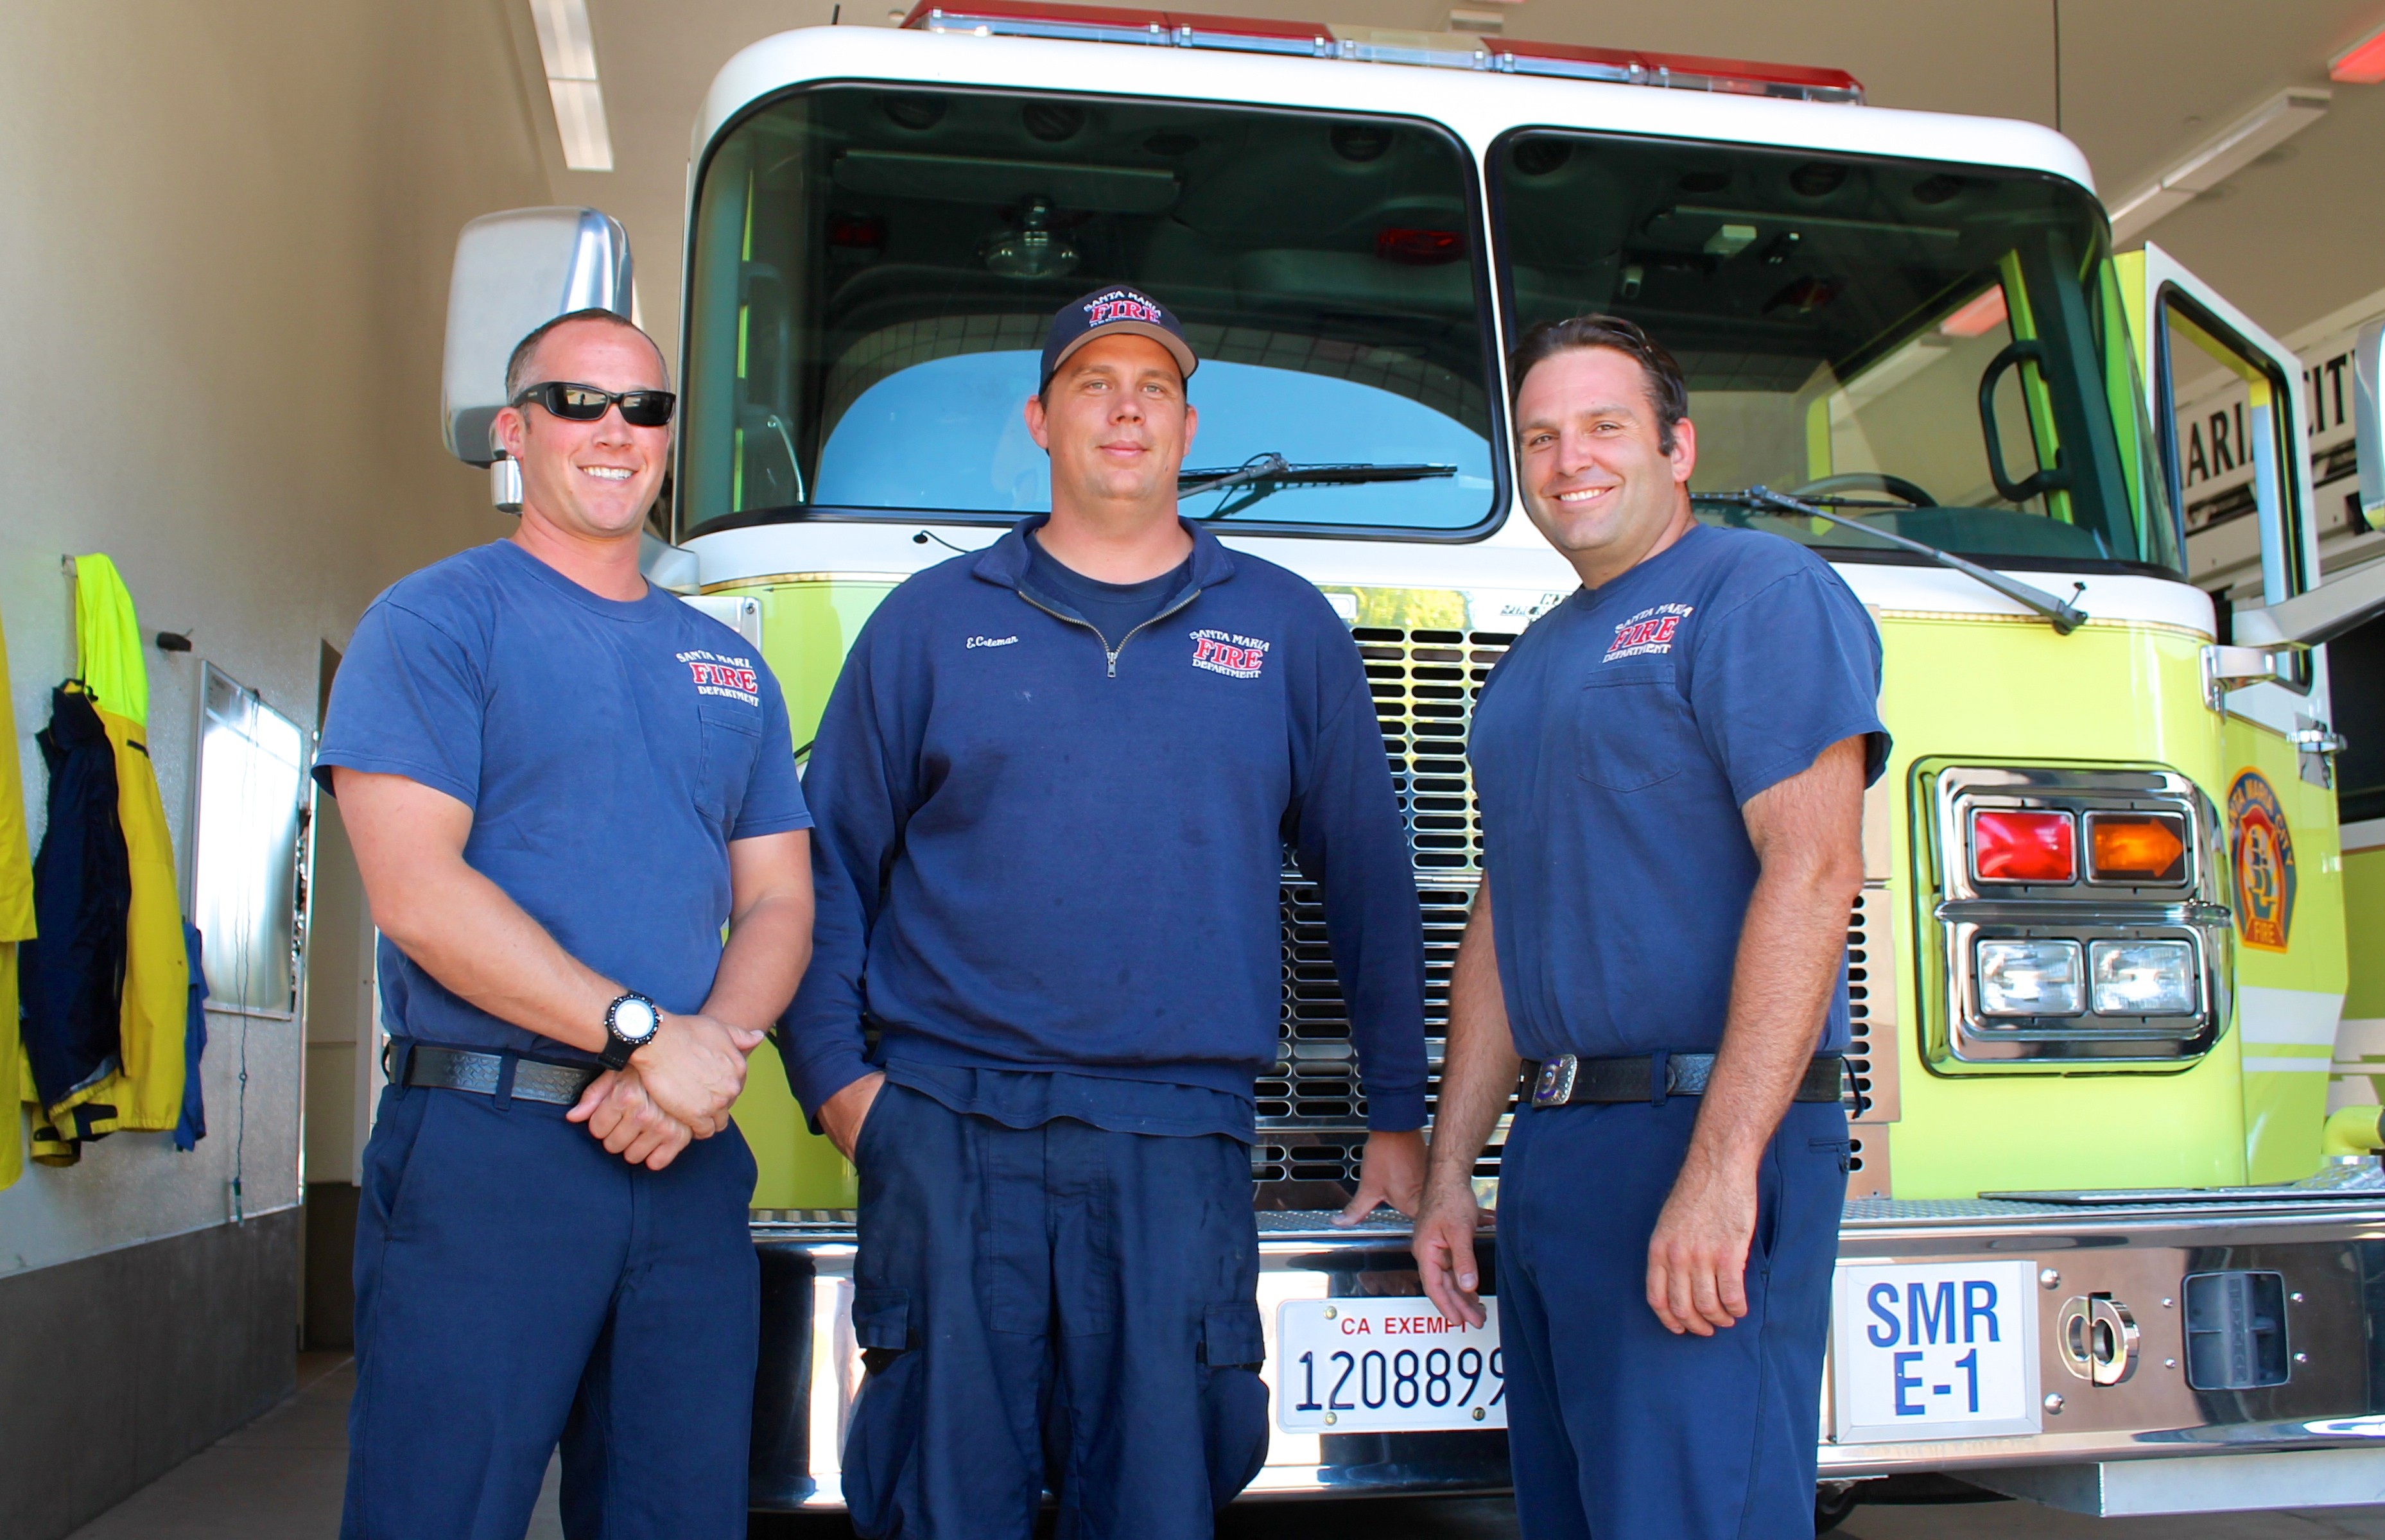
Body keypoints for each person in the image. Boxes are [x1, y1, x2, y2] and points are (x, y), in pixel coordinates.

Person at [785, 284, 1430, 1539]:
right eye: (1093, 384)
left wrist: (1397, 1116)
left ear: (1190, 426)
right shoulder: (929, 624)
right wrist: (842, 1092)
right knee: (942, 1498)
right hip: (950, 1125)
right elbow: (823, 875)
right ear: (1039, 419)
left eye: (1151, 389)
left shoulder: (1286, 630)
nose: (1123, 411)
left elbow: (1367, 882)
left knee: (1155, 1497)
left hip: (1174, 1137)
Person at [317, 307, 815, 1540]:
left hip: (683, 1157)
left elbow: (779, 900)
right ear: (513, 430)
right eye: (576, 403)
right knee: (436, 1514)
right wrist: (644, 1031)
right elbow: (419, 894)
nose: (615, 433)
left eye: (644, 409)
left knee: (678, 1519)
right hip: (491, 1148)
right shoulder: (435, 623)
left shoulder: (729, 667)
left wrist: (699, 1066)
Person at [1411, 316, 1887, 1540]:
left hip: (1702, 1129)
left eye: (1605, 426)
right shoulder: (1528, 669)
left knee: (1694, 1514)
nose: (1570, 458)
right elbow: (1503, 933)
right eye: (1542, 437)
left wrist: (1724, 1172)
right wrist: (1453, 1172)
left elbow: (1818, 864)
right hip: (1562, 1158)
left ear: (1679, 447)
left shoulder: (1760, 589)